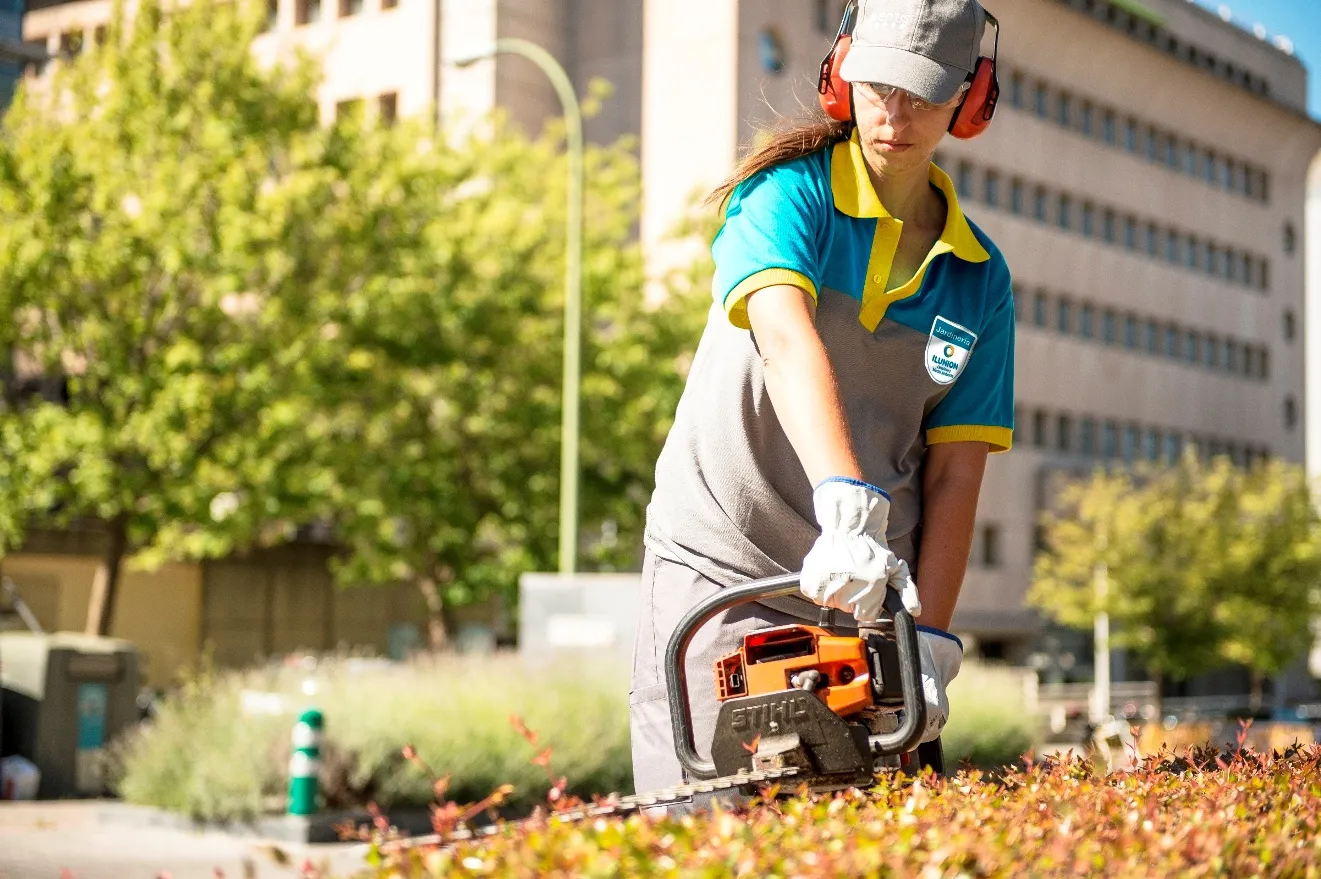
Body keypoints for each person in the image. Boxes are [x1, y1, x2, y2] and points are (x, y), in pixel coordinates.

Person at [629, 0, 1015, 797]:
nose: (894, 113)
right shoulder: (784, 195)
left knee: (863, 833)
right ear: (840, 73)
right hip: (722, 564)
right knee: (704, 818)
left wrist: (930, 636)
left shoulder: (979, 278)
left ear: (970, 97)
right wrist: (846, 503)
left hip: (869, 590)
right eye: (877, 85)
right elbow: (784, 338)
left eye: (921, 92)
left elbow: (954, 474)